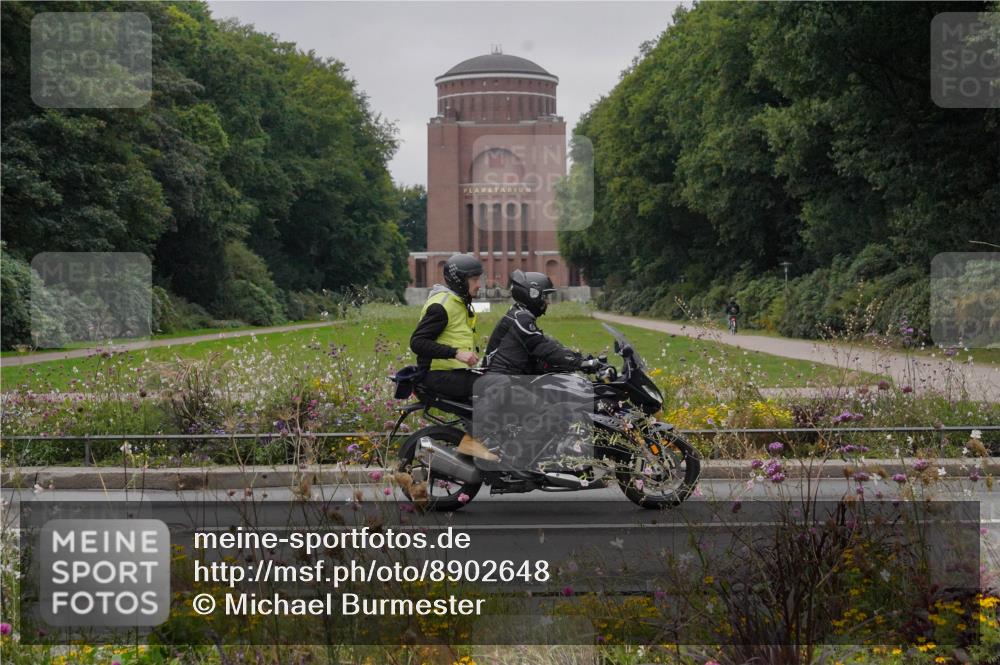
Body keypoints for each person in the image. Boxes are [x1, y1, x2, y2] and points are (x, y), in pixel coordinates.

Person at [476, 270, 600, 472]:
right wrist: (580, 363)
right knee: (551, 412)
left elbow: (543, 349)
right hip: (502, 383)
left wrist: (579, 359)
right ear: (532, 294)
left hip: (509, 381)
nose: (547, 302)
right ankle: (517, 461)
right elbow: (542, 348)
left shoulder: (521, 315)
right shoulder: (520, 318)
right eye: (544, 296)